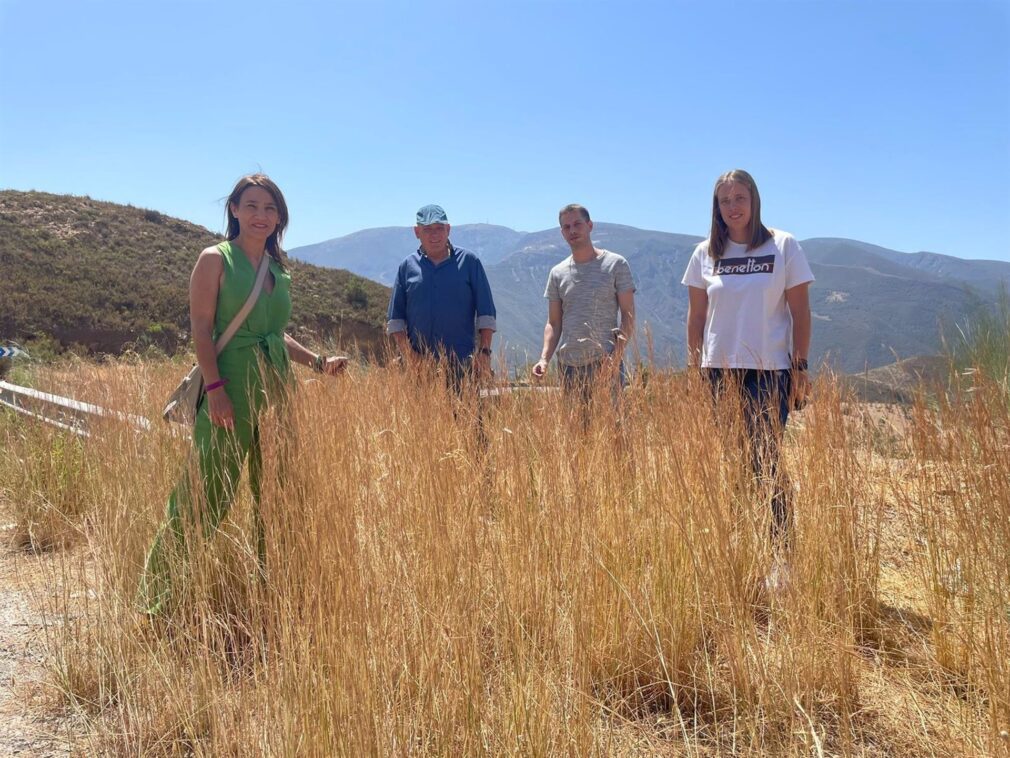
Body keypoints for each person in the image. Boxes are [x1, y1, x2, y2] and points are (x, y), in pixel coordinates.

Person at [138, 174, 348, 615]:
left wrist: (317, 363)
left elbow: (276, 333)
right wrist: (214, 389)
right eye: (252, 206)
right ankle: (158, 599)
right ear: (234, 209)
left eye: (270, 209)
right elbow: (200, 327)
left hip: (276, 387)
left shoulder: (277, 269)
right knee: (206, 490)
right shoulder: (215, 259)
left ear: (280, 218)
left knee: (276, 489)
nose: (261, 216)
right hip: (230, 382)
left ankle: (271, 586)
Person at [681, 169, 813, 585]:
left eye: (740, 197)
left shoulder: (783, 245)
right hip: (719, 370)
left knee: (767, 462)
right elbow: (697, 316)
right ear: (716, 208)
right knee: (736, 462)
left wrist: (800, 366)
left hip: (769, 370)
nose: (733, 207)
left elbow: (800, 312)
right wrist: (693, 365)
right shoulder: (705, 253)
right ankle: (745, 547)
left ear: (754, 200)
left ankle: (781, 559)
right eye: (724, 200)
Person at [531, 204, 636, 413]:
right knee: (578, 437)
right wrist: (544, 359)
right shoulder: (557, 273)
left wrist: (615, 358)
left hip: (605, 363)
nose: (572, 230)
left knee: (613, 433)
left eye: (577, 224)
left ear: (589, 226)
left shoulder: (616, 265)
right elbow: (554, 322)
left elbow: (628, 315)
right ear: (562, 233)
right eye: (566, 227)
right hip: (569, 367)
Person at [386, 204, 497, 390]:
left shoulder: (469, 262)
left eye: (439, 228)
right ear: (417, 232)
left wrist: (484, 352)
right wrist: (410, 357)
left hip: (463, 365)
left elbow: (486, 313)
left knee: (465, 418)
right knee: (421, 419)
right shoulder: (407, 266)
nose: (434, 235)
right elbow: (395, 319)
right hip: (419, 368)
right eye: (427, 229)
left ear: (448, 229)